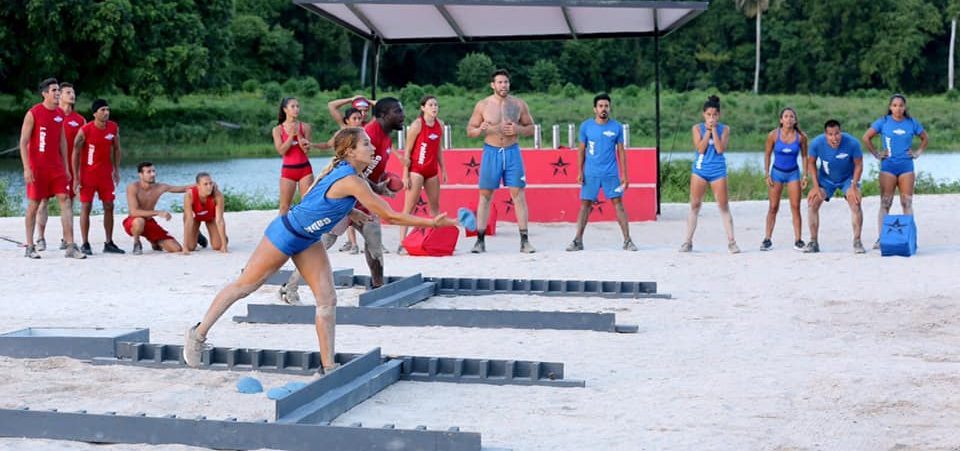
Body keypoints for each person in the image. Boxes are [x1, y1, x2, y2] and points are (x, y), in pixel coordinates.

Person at [183, 127, 456, 373]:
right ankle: (197, 334)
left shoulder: (352, 174)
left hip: (308, 239)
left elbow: (321, 200)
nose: (372, 147)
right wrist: (432, 222)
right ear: (350, 151)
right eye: (366, 144)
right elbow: (390, 216)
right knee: (245, 286)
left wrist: (351, 212)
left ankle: (328, 366)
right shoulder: (352, 180)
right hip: (285, 234)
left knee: (327, 300)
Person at [278, 98, 405, 304]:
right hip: (343, 202)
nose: (402, 116)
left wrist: (380, 187)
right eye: (398, 111)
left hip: (364, 200)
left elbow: (369, 173)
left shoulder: (385, 139)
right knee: (322, 244)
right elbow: (348, 171)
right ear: (383, 115)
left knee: (374, 245)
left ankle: (378, 286)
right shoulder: (365, 135)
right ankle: (290, 286)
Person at [466, 69, 536, 254]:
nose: (503, 85)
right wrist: (480, 130)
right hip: (492, 151)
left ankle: (524, 241)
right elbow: (470, 131)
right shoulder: (483, 105)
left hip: (512, 151)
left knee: (518, 194)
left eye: (506, 82)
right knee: (485, 195)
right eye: (500, 82)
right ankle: (480, 240)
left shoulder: (519, 104)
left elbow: (531, 128)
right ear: (493, 85)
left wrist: (518, 129)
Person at [18, 78, 85, 259]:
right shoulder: (33, 113)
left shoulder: (59, 114)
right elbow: (23, 142)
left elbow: (62, 141)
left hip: (56, 167)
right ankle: (30, 246)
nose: (57, 93)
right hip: (38, 167)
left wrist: (67, 167)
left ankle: (70, 245)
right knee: (35, 204)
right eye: (54, 90)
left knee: (66, 200)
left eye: (58, 90)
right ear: (45, 93)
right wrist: (26, 168)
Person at [566, 93, 636, 252]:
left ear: (610, 108)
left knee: (619, 204)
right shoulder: (586, 126)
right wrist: (580, 171)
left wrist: (625, 175)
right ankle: (577, 240)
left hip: (610, 173)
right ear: (595, 109)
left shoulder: (616, 127)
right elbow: (581, 151)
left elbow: (621, 152)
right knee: (585, 205)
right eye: (600, 106)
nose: (603, 109)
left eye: (606, 106)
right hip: (591, 173)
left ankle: (627, 240)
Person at [862, 94, 928, 249]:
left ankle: (911, 238)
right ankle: (881, 238)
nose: (898, 108)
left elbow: (925, 138)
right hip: (888, 168)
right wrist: (876, 154)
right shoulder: (883, 122)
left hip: (906, 167)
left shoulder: (911, 123)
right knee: (886, 203)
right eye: (895, 105)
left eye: (901, 105)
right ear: (890, 107)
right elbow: (866, 137)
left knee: (907, 203)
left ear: (905, 107)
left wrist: (917, 153)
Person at [679, 95, 739, 254]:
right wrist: (707, 131)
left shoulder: (724, 129)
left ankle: (732, 242)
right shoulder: (697, 128)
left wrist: (714, 131)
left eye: (714, 115)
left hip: (718, 171)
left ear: (719, 115)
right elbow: (700, 148)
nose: (711, 118)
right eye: (708, 115)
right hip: (700, 170)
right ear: (703, 114)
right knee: (695, 205)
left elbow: (720, 149)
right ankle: (687, 241)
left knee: (723, 206)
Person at [37, 82, 85, 251]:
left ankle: (67, 239)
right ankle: (40, 238)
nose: (72, 95)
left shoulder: (80, 120)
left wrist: (79, 172)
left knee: (68, 202)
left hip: (68, 167)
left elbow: (83, 147)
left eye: (73, 92)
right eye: (68, 92)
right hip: (48, 165)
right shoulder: (50, 114)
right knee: (43, 201)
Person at [72, 99, 124, 255]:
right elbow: (75, 152)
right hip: (88, 174)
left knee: (109, 205)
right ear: (95, 113)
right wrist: (76, 177)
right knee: (86, 207)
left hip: (105, 174)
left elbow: (117, 149)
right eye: (102, 110)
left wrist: (116, 170)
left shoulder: (113, 127)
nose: (106, 112)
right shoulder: (85, 130)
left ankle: (109, 242)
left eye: (108, 109)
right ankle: (85, 243)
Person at [804, 120, 865, 253]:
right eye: (830, 134)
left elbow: (859, 165)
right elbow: (811, 163)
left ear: (840, 132)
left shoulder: (852, 143)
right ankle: (813, 242)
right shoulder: (816, 143)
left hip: (848, 179)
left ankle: (857, 241)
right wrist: (815, 186)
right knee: (812, 203)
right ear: (825, 135)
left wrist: (854, 186)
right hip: (826, 179)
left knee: (855, 202)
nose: (834, 138)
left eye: (837, 134)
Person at [397, 95, 447, 252]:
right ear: (423, 108)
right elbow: (407, 151)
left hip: (432, 170)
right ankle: (402, 242)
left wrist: (443, 168)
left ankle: (436, 240)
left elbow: (438, 149)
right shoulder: (417, 125)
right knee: (409, 207)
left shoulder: (440, 124)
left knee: (435, 207)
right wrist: (405, 174)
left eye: (436, 105)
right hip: (416, 170)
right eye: (430, 105)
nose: (434, 107)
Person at [761, 107, 808, 251]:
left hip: (793, 173)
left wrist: (805, 175)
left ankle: (798, 240)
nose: (789, 119)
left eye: (791, 116)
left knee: (795, 207)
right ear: (781, 120)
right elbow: (767, 154)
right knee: (773, 207)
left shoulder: (801, 137)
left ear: (795, 120)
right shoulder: (773, 135)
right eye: (786, 116)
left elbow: (804, 156)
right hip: (777, 173)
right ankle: (767, 239)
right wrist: (767, 174)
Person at [123, 162, 189, 254]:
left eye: (153, 171)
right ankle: (136, 243)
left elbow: (183, 188)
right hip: (133, 222)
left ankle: (154, 241)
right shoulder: (133, 187)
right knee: (139, 221)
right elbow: (134, 212)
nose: (153, 174)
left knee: (176, 248)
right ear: (140, 175)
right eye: (149, 172)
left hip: (149, 222)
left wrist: (201, 184)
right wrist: (158, 212)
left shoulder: (160, 187)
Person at [272, 97, 315, 215]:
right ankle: (280, 227)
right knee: (284, 207)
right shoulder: (277, 130)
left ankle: (306, 227)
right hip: (288, 171)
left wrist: (299, 135)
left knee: (307, 205)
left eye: (297, 106)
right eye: (293, 106)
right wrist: (291, 136)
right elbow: (281, 151)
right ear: (285, 109)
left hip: (305, 170)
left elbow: (306, 150)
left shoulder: (305, 127)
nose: (296, 109)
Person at [182, 172, 227, 254]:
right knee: (190, 247)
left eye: (210, 183)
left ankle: (223, 237)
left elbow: (220, 220)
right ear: (198, 186)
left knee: (217, 246)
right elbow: (188, 220)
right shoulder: (189, 195)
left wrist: (224, 245)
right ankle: (198, 235)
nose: (209, 187)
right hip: (195, 219)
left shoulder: (217, 195)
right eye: (205, 184)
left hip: (210, 218)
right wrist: (184, 247)